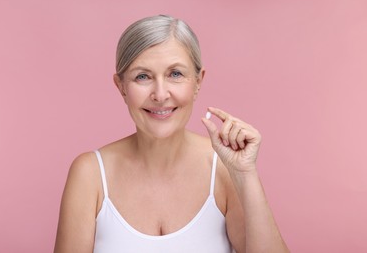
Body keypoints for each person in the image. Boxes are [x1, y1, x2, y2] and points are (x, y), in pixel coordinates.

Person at [54, 15, 289, 253]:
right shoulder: (90, 174)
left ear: (198, 82)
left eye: (175, 74)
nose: (160, 94)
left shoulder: (224, 169)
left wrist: (245, 175)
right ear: (121, 87)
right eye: (142, 76)